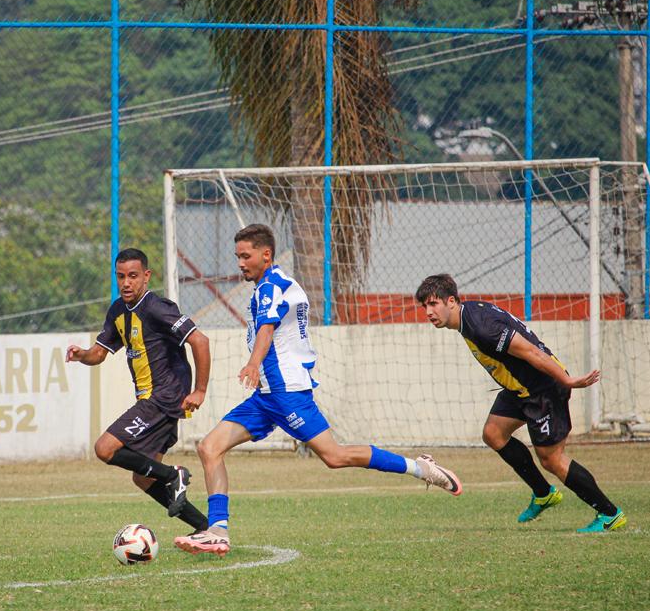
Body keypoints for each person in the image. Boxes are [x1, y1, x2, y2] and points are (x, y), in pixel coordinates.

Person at [175, 225, 462, 556]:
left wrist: (254, 363)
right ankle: (218, 531)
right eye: (237, 256)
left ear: (265, 255)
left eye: (246, 255)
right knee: (210, 448)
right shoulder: (273, 285)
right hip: (266, 396)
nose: (240, 263)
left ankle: (421, 468)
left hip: (286, 393)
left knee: (335, 456)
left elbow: (267, 328)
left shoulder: (272, 286)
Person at [414, 273, 626, 533]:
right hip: (519, 389)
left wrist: (567, 381)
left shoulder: (482, 326)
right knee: (494, 433)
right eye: (424, 306)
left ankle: (609, 514)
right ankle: (543, 493)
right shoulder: (467, 317)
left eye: (433, 304)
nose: (428, 312)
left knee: (552, 460)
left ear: (451, 301)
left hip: (544, 388)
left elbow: (532, 353)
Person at [67, 248, 208, 534]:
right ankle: (205, 528)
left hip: (163, 397)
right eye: (120, 276)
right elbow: (99, 353)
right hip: (153, 400)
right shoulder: (118, 311)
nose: (126, 283)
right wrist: (82, 354)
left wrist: (200, 390)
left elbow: (200, 341)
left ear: (146, 276)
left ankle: (174, 474)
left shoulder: (157, 308)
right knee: (143, 479)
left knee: (105, 448)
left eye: (132, 276)